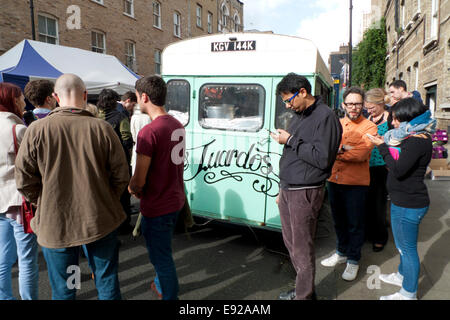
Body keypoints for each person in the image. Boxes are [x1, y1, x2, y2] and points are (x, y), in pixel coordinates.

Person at [15, 74, 129, 300]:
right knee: (106, 284)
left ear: (55, 97)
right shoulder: (102, 128)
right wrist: (105, 198)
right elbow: (121, 175)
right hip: (99, 220)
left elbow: (24, 180)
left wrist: (44, 201)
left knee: (68, 288)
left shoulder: (37, 130)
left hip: (57, 224)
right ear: (85, 95)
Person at [269, 73, 342, 300]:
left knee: (302, 247)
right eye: (284, 102)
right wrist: (282, 188)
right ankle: (304, 288)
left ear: (302, 91)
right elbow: (294, 153)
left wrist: (289, 140)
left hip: (306, 190)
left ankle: (305, 296)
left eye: (289, 100)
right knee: (292, 244)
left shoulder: (326, 117)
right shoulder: (299, 114)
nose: (287, 105)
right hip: (290, 188)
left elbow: (322, 159)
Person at [366, 98, 435, 300]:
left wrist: (381, 146)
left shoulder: (416, 141)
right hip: (401, 200)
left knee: (407, 250)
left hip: (410, 204)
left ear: (408, 117)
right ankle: (401, 276)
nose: (393, 123)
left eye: (396, 119)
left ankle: (408, 293)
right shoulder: (413, 135)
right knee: (401, 246)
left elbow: (398, 170)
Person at [128, 75, 186, 300]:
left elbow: (139, 180)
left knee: (161, 260)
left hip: (158, 204)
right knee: (165, 252)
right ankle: (161, 286)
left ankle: (169, 294)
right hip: (175, 199)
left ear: (144, 97)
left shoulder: (149, 132)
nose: (135, 102)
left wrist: (131, 188)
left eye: (136, 97)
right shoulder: (176, 124)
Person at [321, 87, 377, 282]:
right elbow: (325, 147)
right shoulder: (337, 123)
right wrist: (344, 149)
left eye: (358, 104)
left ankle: (353, 259)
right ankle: (341, 251)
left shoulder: (369, 127)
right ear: (343, 104)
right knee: (338, 220)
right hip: (334, 180)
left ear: (363, 105)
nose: (354, 107)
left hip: (356, 184)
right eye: (350, 103)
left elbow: (361, 154)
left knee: (355, 223)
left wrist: (338, 151)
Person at [0, 82, 39, 300]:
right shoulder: (18, 129)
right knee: (26, 261)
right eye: (21, 96)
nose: (24, 100)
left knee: (3, 260)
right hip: (20, 204)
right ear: (13, 100)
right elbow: (33, 168)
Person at [97, 89, 134, 235]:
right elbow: (126, 139)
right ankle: (124, 225)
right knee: (123, 194)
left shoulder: (95, 117)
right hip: (119, 161)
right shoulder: (120, 116)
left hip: (100, 161)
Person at [364, 88, 391, 252]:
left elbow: (397, 144)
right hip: (367, 166)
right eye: (367, 108)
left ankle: (380, 237)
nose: (368, 111)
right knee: (367, 202)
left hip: (383, 167)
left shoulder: (390, 120)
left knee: (379, 204)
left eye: (371, 107)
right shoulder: (369, 118)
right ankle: (369, 232)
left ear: (381, 103)